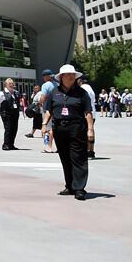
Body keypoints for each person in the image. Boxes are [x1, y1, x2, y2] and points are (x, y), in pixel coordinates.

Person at [42, 64, 95, 200]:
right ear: (62, 77)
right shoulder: (54, 92)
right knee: (65, 158)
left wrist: (90, 129)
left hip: (76, 127)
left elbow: (88, 112)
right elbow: (49, 110)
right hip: (60, 128)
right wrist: (44, 124)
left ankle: (79, 188)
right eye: (68, 74)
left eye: (73, 74)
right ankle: (70, 186)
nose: (71, 76)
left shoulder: (82, 93)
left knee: (78, 158)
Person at [0, 78, 21, 150]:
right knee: (8, 128)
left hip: (15, 113)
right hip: (6, 113)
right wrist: (2, 110)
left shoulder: (16, 92)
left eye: (12, 83)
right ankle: (6, 144)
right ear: (6, 85)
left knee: (14, 128)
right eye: (9, 84)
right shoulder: (2, 93)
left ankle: (11, 144)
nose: (11, 85)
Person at [38, 69, 57, 153]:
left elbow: (43, 97)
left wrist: (39, 103)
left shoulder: (46, 85)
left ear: (45, 77)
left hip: (47, 109)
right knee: (56, 127)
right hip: (57, 108)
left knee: (47, 128)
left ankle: (48, 147)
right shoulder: (57, 84)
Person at [79, 76, 97, 159]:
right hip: (93, 112)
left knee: (83, 132)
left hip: (85, 113)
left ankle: (85, 150)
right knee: (91, 130)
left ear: (80, 81)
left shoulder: (82, 88)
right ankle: (91, 150)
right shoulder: (91, 89)